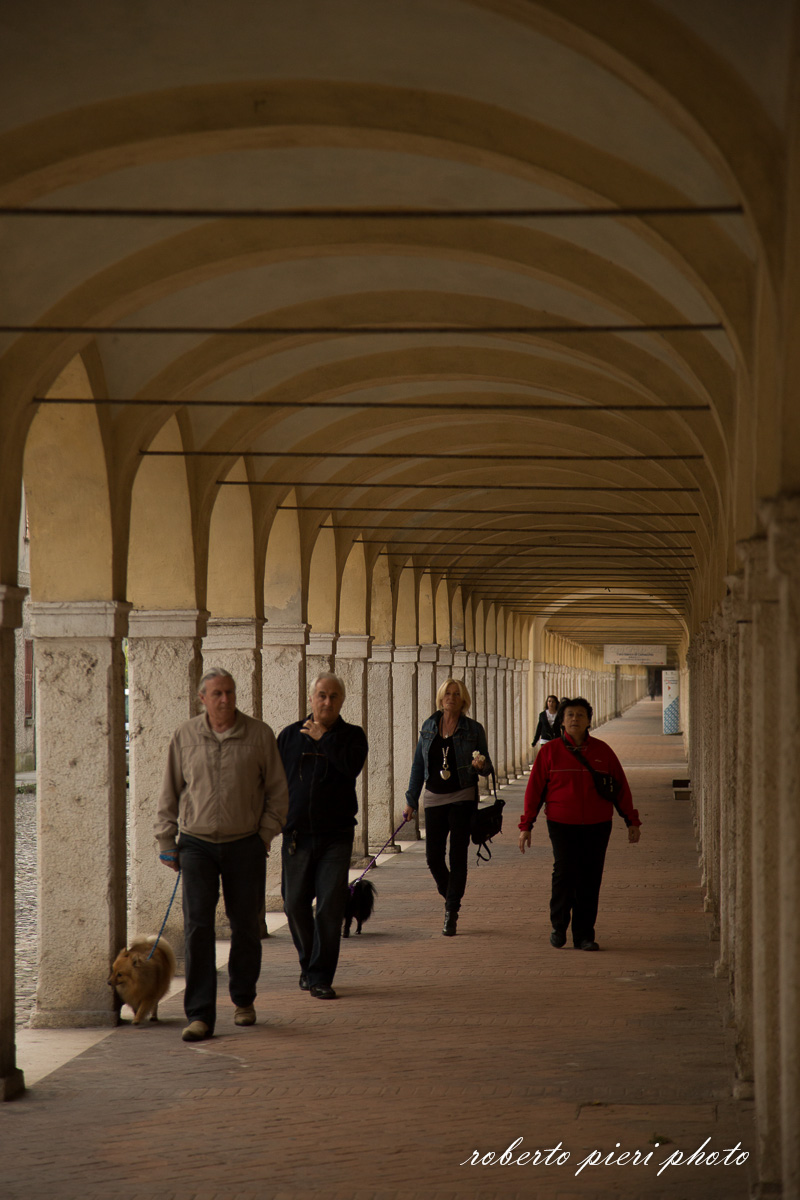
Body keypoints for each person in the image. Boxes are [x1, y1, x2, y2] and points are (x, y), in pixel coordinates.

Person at [155, 668, 289, 1042]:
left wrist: (264, 833)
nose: (225, 699)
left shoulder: (258, 734)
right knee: (198, 926)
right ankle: (199, 1014)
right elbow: (168, 792)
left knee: (245, 924)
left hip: (244, 841)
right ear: (202, 698)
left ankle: (243, 997)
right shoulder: (185, 736)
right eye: (217, 693)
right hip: (195, 842)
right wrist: (166, 841)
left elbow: (279, 792)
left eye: (229, 692)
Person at [518, 697, 641, 951]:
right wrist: (526, 825)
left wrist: (631, 819)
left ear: (588, 721)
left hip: (597, 824)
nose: (575, 719)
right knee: (564, 873)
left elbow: (620, 787)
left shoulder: (603, 751)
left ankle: (584, 934)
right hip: (562, 823)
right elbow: (535, 792)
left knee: (590, 877)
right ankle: (559, 926)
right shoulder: (549, 752)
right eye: (570, 715)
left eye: (581, 715)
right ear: (562, 721)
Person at [278, 673, 368, 1000]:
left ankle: (320, 976)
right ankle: (308, 964)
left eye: (333, 697)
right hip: (296, 836)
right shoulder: (288, 736)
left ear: (341, 701)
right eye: (321, 695)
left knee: (329, 907)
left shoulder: (353, 737)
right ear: (311, 698)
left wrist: (324, 738)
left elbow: (349, 767)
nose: (327, 702)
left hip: (336, 836)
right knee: (293, 904)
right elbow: (275, 782)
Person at [403, 679, 493, 937]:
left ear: (463, 700)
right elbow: (418, 767)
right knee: (433, 857)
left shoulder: (474, 729)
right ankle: (451, 896)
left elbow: (487, 767)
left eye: (456, 694)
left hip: (463, 796)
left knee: (457, 855)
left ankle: (451, 911)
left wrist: (480, 767)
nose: (451, 698)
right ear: (441, 698)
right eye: (447, 694)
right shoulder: (429, 727)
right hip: (433, 798)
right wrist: (411, 800)